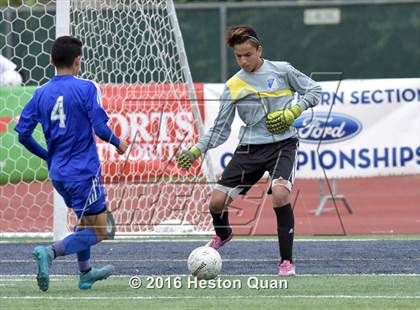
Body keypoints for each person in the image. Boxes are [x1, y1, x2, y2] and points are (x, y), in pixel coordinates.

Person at [177, 25, 321, 276]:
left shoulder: (282, 70)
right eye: (238, 56)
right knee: (216, 202)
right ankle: (224, 235)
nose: (243, 60)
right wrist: (196, 150)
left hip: (283, 145)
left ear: (259, 50)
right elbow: (220, 130)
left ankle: (286, 262)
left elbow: (314, 90)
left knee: (279, 194)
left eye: (247, 54)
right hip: (250, 150)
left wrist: (293, 112)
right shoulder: (233, 85)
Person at [15, 36, 128, 291]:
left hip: (58, 174)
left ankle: (85, 273)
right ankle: (50, 252)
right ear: (78, 61)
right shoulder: (87, 87)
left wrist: (47, 155)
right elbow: (100, 127)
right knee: (100, 230)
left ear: (51, 61)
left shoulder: (40, 92)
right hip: (84, 172)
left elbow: (22, 134)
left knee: (84, 222)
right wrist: (118, 142)